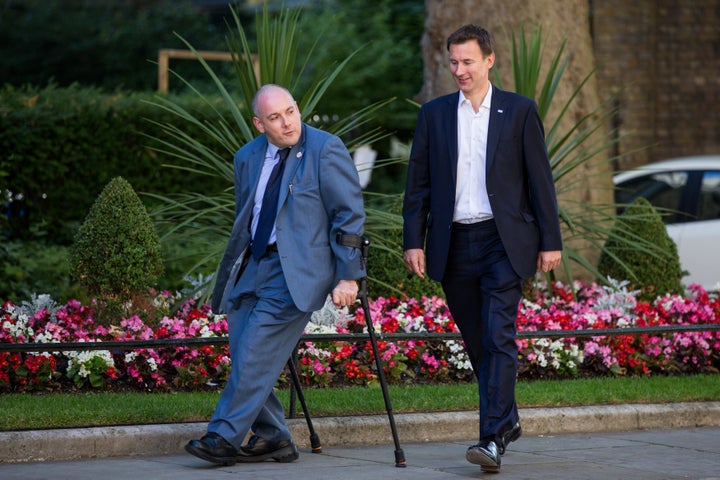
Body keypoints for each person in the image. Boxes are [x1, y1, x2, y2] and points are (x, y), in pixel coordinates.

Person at [402, 25, 562, 473]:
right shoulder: (433, 115)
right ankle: (507, 420)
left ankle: (491, 439)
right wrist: (413, 240)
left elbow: (539, 181)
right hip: (452, 243)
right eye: (453, 62)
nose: (459, 70)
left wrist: (552, 240)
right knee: (478, 344)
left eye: (468, 61)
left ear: (489, 61)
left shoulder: (520, 111)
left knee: (497, 336)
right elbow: (418, 186)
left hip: (502, 242)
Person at [185, 84, 366, 466]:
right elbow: (246, 216)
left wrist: (349, 276)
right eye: (274, 118)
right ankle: (274, 438)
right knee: (244, 351)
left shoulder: (325, 149)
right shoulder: (247, 157)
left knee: (254, 353)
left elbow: (348, 216)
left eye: (290, 111)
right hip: (253, 267)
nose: (287, 123)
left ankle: (222, 436)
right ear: (258, 124)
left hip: (297, 273)